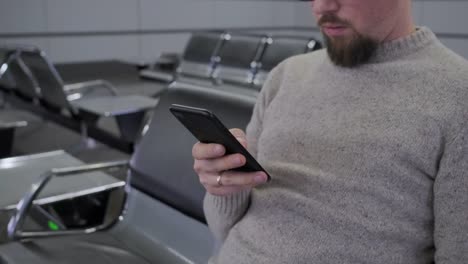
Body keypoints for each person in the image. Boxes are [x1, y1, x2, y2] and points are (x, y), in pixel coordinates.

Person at [192, 0, 468, 263]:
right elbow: (223, 230)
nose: (321, 7)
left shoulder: (457, 95)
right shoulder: (287, 75)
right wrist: (223, 186)